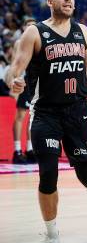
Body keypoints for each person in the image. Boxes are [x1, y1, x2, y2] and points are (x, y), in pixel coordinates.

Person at [8, 0, 87, 243]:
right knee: (48, 174)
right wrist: (15, 82)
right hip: (45, 113)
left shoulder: (83, 32)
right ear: (49, 1)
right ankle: (51, 235)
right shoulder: (35, 32)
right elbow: (14, 68)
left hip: (78, 111)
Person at [8, 17, 37, 164]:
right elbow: (14, 64)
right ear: (24, 28)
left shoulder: (37, 43)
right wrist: (15, 83)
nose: (31, 28)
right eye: (29, 26)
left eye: (33, 26)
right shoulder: (19, 43)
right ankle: (17, 150)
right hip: (23, 83)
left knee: (33, 118)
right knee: (20, 116)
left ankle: (30, 149)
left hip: (35, 84)